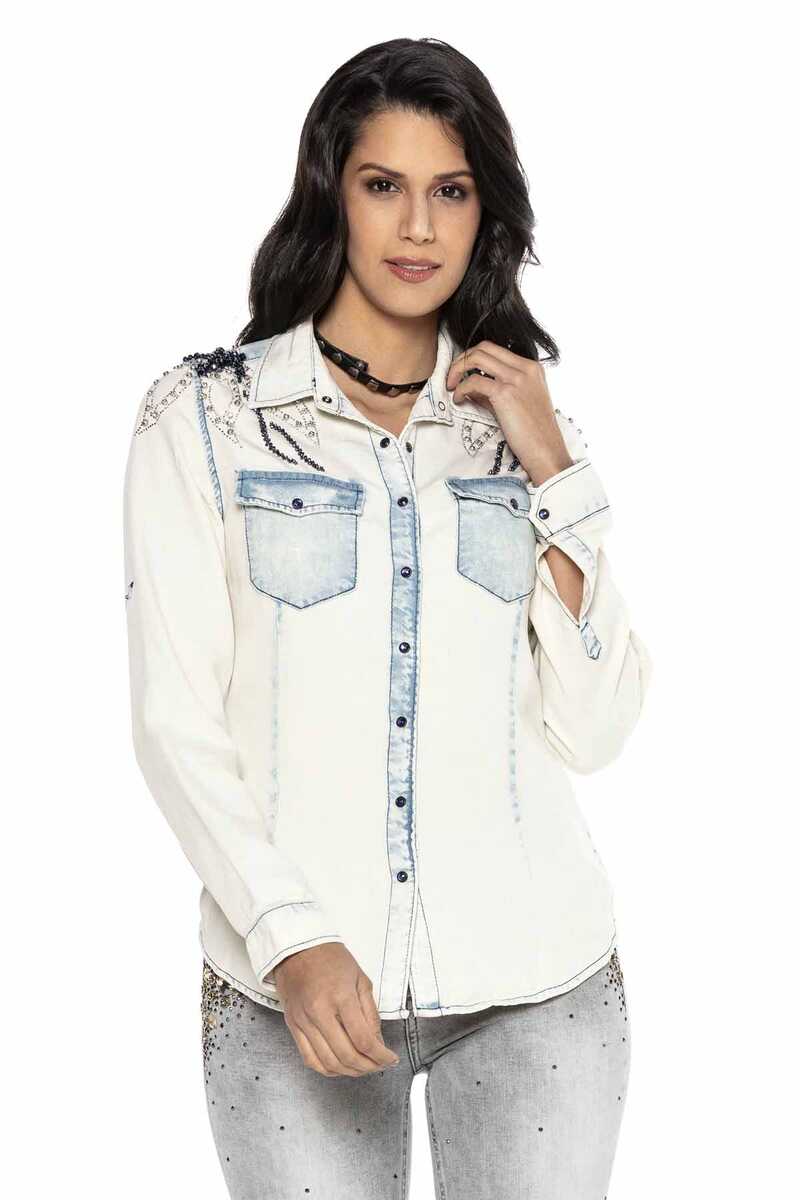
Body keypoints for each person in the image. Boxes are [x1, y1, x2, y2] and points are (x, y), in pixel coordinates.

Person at [123, 35, 653, 1200]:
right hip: (290, 991)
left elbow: (598, 727)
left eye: (449, 191)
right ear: (331, 194)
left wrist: (553, 469)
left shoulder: (522, 436)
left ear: (484, 212)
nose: (417, 227)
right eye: (383, 186)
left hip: (538, 982)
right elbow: (175, 722)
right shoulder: (206, 420)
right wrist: (290, 934)